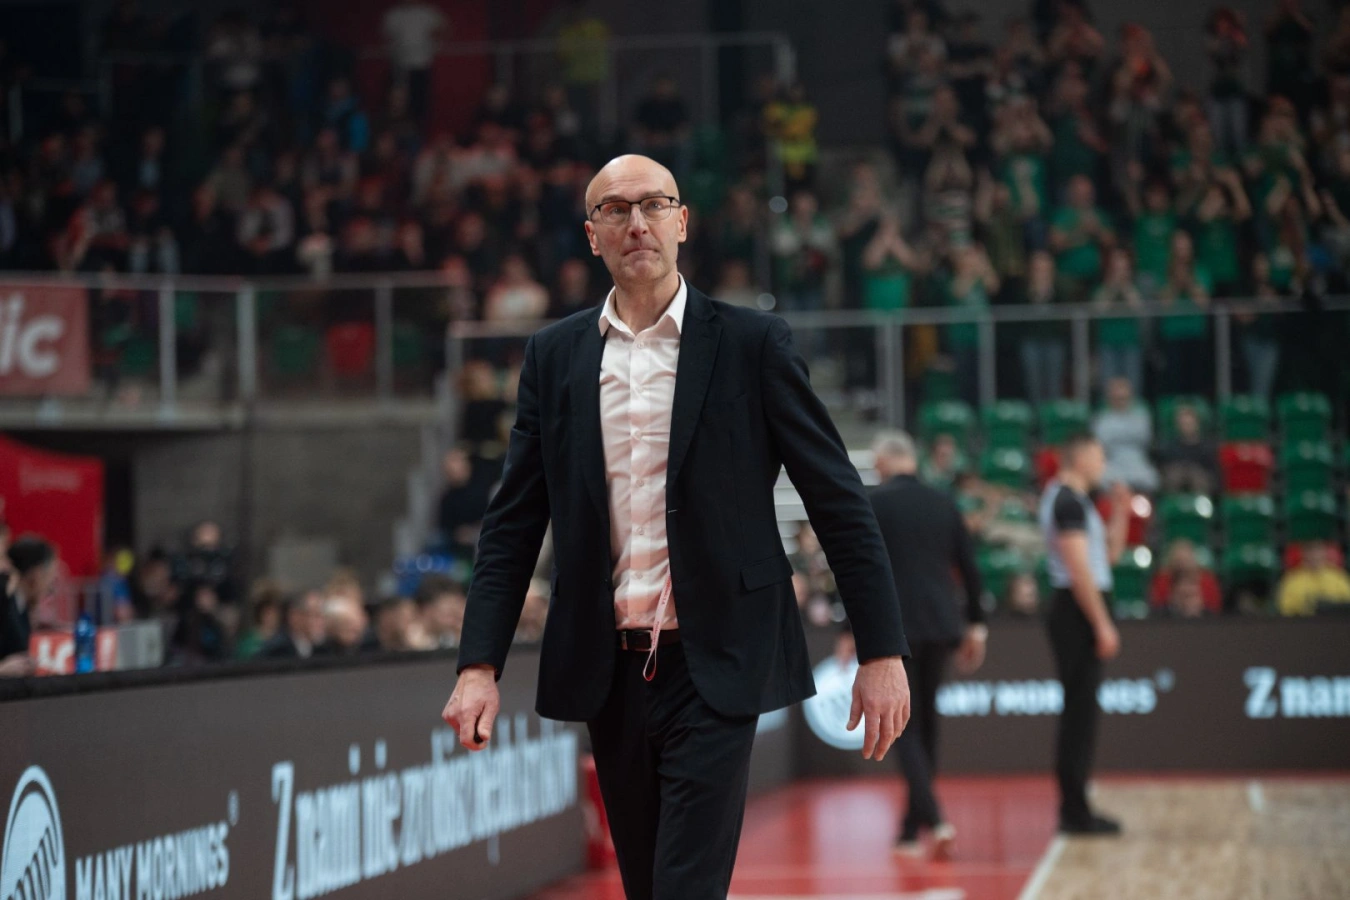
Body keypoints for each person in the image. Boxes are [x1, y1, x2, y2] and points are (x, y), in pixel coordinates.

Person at [442, 154, 912, 900]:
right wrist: (478, 666)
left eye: (654, 205)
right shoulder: (554, 356)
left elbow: (837, 499)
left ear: (682, 222)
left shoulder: (754, 343)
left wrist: (881, 649)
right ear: (592, 235)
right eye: (615, 209)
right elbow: (512, 524)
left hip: (714, 659)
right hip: (608, 669)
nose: (637, 223)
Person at [851, 430, 987, 859]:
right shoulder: (943, 502)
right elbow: (970, 568)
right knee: (926, 722)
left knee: (905, 727)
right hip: (943, 625)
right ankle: (911, 827)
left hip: (895, 629)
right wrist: (976, 625)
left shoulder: (874, 503)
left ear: (884, 462)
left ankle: (935, 818)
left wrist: (848, 629)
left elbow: (857, 570)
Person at [1038, 433, 1129, 835]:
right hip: (1075, 612)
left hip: (1080, 610)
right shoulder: (1067, 501)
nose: (1103, 464)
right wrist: (1102, 623)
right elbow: (1078, 570)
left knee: (1083, 712)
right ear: (1078, 458)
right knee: (1079, 715)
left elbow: (1108, 557)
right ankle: (1074, 811)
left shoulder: (1077, 501)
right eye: (1098, 456)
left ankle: (1076, 808)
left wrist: (1121, 512)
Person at [1, 532, 55, 678]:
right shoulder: (4, 600)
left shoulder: (21, 606)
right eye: (49, 577)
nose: (50, 589)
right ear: (36, 574)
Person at [1277, 541, 1350, 616]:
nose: (1314, 555)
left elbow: (1347, 603)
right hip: (1303, 621)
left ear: (1324, 552)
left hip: (1335, 620)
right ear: (1303, 554)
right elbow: (1284, 608)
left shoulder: (1338, 576)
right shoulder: (1291, 579)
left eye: (1318, 550)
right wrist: (1306, 606)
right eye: (1310, 551)